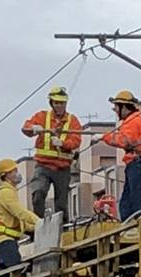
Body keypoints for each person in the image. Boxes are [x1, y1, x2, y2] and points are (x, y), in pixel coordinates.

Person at [22, 86, 82, 221]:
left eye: (62, 103)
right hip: (43, 165)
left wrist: (63, 144)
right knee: (38, 194)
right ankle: (38, 225)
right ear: (51, 103)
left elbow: (76, 140)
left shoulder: (73, 121)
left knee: (61, 204)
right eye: (57, 103)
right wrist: (33, 128)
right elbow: (25, 127)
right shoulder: (42, 117)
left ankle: (62, 229)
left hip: (62, 167)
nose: (60, 106)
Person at [92, 90, 141, 221]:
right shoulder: (133, 120)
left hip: (138, 164)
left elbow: (123, 140)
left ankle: (139, 225)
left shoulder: (133, 121)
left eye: (116, 106)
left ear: (124, 106)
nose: (114, 109)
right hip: (136, 164)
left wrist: (103, 137)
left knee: (136, 201)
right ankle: (131, 226)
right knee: (127, 202)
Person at [0, 158, 40, 275]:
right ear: (6, 175)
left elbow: (16, 220)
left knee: (8, 276)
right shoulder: (5, 192)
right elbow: (20, 213)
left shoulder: (10, 191)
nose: (17, 174)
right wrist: (39, 222)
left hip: (5, 240)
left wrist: (32, 227)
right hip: (3, 239)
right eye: (14, 171)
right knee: (16, 271)